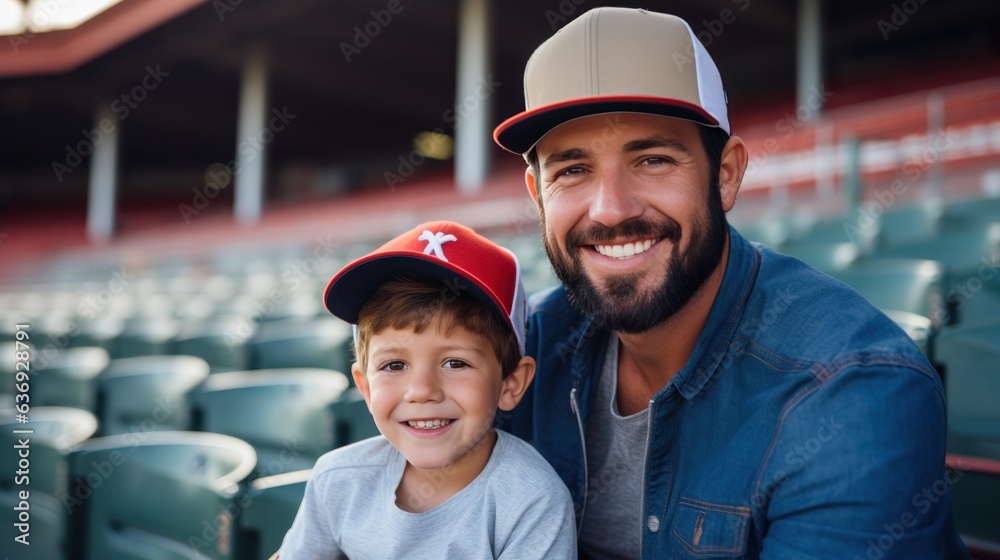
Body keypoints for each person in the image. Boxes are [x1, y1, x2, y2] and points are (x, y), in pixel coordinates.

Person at [492, 7, 968, 559]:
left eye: (651, 158)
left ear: (725, 174)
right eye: (572, 170)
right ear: (538, 194)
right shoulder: (528, 347)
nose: (611, 209)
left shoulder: (853, 395)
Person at [276, 220, 577, 559]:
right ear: (366, 387)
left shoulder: (531, 502)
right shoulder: (338, 479)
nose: (421, 391)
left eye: (455, 363)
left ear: (511, 383)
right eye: (394, 365)